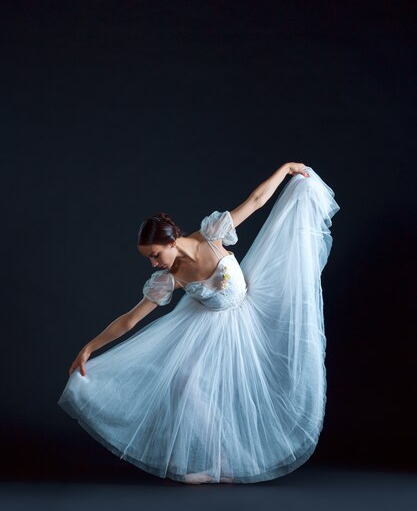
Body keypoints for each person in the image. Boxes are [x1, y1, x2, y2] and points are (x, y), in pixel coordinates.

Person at [58, 162, 340, 484]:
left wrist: (286, 168)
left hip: (249, 313)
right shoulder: (170, 278)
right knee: (186, 384)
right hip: (208, 327)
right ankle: (220, 460)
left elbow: (257, 200)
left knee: (253, 383)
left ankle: (240, 454)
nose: (152, 263)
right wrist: (89, 347)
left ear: (172, 241)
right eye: (148, 258)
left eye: (155, 255)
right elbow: (130, 319)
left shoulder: (212, 235)